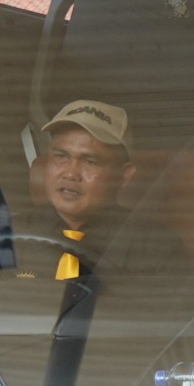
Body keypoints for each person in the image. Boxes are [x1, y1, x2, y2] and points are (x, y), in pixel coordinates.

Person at [27, 100, 137, 280]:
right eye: (61, 156)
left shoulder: (156, 249)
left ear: (124, 175)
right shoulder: (8, 237)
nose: (71, 174)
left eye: (90, 161)